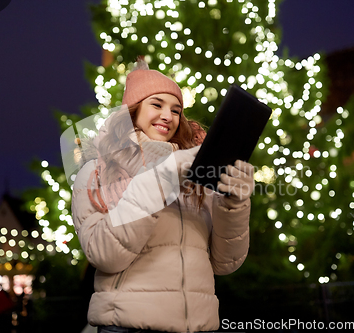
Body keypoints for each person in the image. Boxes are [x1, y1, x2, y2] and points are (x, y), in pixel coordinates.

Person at [71, 59, 254, 333]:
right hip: (127, 326)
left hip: (198, 328)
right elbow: (104, 254)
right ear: (132, 112)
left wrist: (234, 203)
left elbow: (225, 262)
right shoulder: (97, 173)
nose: (168, 116)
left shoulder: (195, 176)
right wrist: (165, 175)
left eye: (176, 110)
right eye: (156, 105)